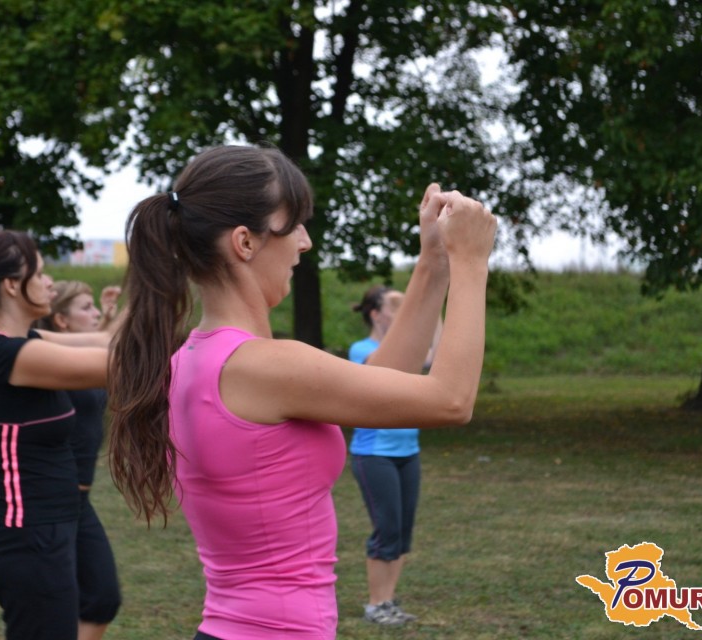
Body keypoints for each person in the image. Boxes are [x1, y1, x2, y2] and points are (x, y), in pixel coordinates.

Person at [107, 145, 496, 639]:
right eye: (293, 226)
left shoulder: (191, 360)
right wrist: (471, 262)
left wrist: (434, 262)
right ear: (245, 242)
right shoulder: (265, 365)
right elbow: (451, 399)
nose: (305, 242)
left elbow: (382, 387)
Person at [0, 229, 117, 640]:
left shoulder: (25, 340)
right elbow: (119, 365)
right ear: (12, 285)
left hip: (48, 529)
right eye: (40, 273)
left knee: (97, 602)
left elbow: (107, 339)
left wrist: (159, 280)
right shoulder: (10, 355)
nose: (49, 282)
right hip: (26, 539)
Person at [34, 280, 125, 640]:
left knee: (102, 598)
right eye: (86, 308)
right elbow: (111, 346)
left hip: (79, 504)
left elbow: (107, 345)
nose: (95, 313)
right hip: (51, 504)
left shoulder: (82, 359)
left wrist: (109, 318)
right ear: (60, 320)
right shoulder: (48, 363)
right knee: (56, 611)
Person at [348, 284, 443, 625]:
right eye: (395, 308)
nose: (403, 313)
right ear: (376, 315)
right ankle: (376, 605)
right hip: (374, 455)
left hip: (408, 452)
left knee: (402, 533)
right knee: (386, 530)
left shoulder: (411, 354)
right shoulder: (362, 350)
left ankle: (388, 602)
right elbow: (381, 371)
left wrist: (433, 307)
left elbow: (436, 357)